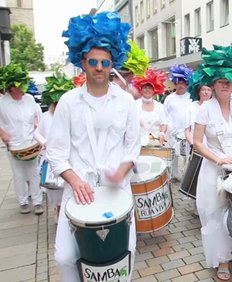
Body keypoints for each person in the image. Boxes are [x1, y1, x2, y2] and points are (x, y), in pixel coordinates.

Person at [46, 12, 140, 282]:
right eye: (94, 61)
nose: (100, 67)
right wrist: (74, 180)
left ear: (113, 63)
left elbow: (133, 147)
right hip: (79, 191)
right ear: (83, 63)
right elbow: (56, 151)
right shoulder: (68, 102)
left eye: (105, 62)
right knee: (64, 257)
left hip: (116, 191)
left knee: (124, 253)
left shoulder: (125, 102)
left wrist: (121, 171)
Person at [190, 44, 232, 281]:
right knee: (215, 215)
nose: (226, 85)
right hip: (213, 172)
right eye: (221, 81)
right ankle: (221, 261)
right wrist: (219, 158)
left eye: (230, 80)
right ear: (213, 84)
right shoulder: (204, 109)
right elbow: (197, 143)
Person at [0, 63, 44, 215]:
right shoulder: (2, 103)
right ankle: (23, 202)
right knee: (19, 175)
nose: (23, 89)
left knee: (33, 173)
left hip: (31, 142)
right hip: (14, 144)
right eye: (20, 86)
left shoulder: (30, 99)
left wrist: (37, 124)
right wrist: (2, 133)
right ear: (12, 87)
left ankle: (37, 202)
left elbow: (37, 116)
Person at [36, 73, 75, 222]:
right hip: (50, 159)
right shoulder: (46, 117)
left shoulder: (70, 115)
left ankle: (66, 213)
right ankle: (57, 211)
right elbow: (36, 133)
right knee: (54, 190)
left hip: (68, 157)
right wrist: (45, 142)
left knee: (66, 188)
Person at [163, 63, 193, 181]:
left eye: (182, 83)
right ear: (175, 84)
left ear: (186, 84)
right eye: (178, 83)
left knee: (187, 155)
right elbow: (165, 115)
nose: (180, 85)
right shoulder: (169, 98)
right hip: (173, 131)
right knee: (174, 155)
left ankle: (186, 175)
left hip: (187, 131)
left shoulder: (191, 97)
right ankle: (175, 175)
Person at [133, 68, 170, 146]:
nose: (147, 90)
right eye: (145, 88)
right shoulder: (134, 105)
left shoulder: (160, 107)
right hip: (138, 144)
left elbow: (164, 122)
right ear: (141, 90)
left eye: (150, 88)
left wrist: (162, 133)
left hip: (156, 145)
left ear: (154, 90)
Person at [185, 83, 212, 148]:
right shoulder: (191, 107)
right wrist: (193, 144)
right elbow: (187, 130)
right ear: (199, 92)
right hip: (194, 146)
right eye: (203, 90)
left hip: (211, 147)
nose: (206, 92)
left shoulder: (215, 107)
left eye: (209, 90)